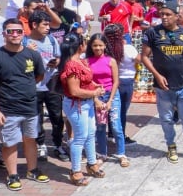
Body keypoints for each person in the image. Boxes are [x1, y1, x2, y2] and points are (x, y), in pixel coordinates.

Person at [0, 18, 49, 191]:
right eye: (10, 31)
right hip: (8, 109)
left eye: (18, 31)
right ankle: (12, 175)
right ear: (4, 33)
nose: (15, 34)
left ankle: (32, 170)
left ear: (23, 33)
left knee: (30, 139)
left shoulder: (32, 55)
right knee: (10, 143)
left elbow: (38, 77)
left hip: (30, 107)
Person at [140, 0, 183, 164]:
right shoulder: (152, 33)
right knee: (167, 119)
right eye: (162, 14)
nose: (164, 17)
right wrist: (157, 74)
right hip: (163, 87)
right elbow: (144, 57)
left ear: (177, 16)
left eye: (168, 14)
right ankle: (171, 145)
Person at [59, 32, 106, 186]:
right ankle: (75, 170)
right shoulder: (72, 65)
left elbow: (86, 82)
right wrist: (94, 93)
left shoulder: (81, 61)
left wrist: (94, 87)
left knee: (90, 133)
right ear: (80, 46)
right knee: (80, 137)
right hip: (76, 104)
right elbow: (74, 91)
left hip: (86, 103)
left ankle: (91, 163)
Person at [25, 11, 67, 163]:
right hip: (34, 87)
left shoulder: (51, 39)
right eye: (45, 24)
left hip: (52, 86)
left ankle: (57, 144)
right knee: (37, 119)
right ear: (34, 25)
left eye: (49, 24)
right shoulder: (25, 42)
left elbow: (58, 56)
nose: (48, 27)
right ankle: (41, 144)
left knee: (57, 117)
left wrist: (56, 61)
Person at [87, 32, 128, 167]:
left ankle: (121, 153)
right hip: (96, 96)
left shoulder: (111, 60)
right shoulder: (87, 61)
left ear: (105, 45)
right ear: (91, 47)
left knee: (116, 126)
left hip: (112, 95)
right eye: (95, 46)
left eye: (100, 45)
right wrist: (96, 99)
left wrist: (110, 100)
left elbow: (116, 82)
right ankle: (102, 154)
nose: (98, 48)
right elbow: (87, 82)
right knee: (100, 127)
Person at [104, 23, 139, 145]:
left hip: (109, 81)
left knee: (109, 107)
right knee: (122, 110)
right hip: (126, 81)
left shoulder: (105, 49)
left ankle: (110, 133)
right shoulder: (129, 49)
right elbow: (139, 60)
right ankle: (121, 135)